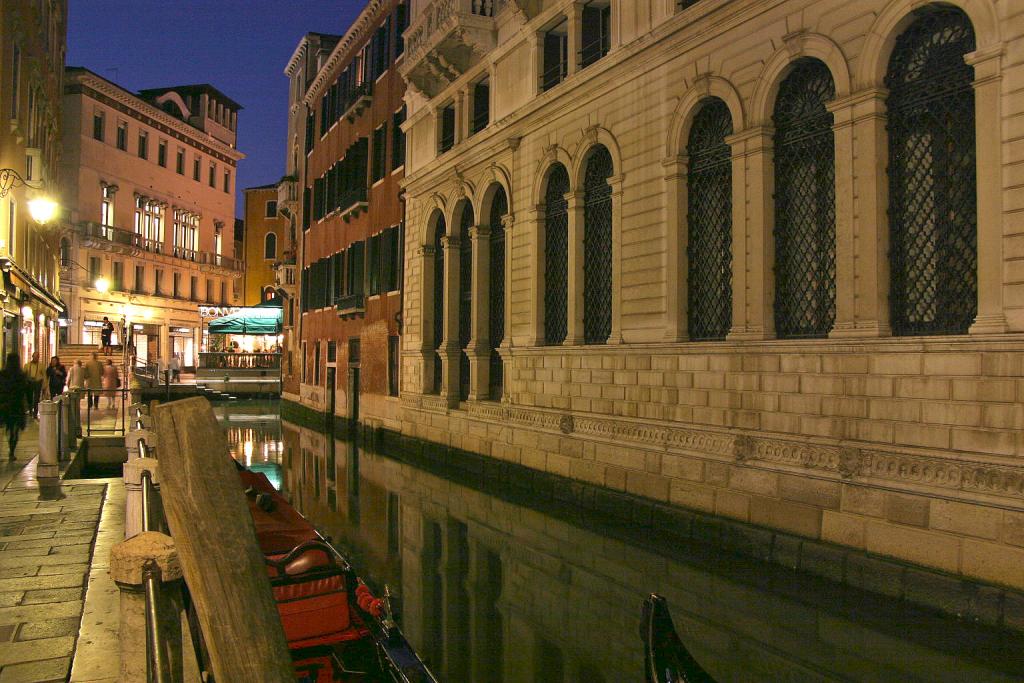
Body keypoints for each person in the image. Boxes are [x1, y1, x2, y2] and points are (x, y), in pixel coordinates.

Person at [0, 354, 30, 461]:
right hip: (17, 405)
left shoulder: (3, 374)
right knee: (15, 429)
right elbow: (25, 391)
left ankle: (9, 444)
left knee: (7, 427)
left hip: (5, 405)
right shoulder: (21, 375)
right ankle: (11, 451)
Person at [24, 352, 44, 418]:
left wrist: (44, 385)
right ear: (32, 356)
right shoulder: (27, 365)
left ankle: (35, 413)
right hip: (29, 383)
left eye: (37, 357)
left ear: (38, 357)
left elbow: (44, 376)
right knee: (29, 397)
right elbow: (24, 374)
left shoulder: (41, 365)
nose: (35, 358)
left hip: (37, 382)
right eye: (34, 356)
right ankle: (30, 410)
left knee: (36, 398)